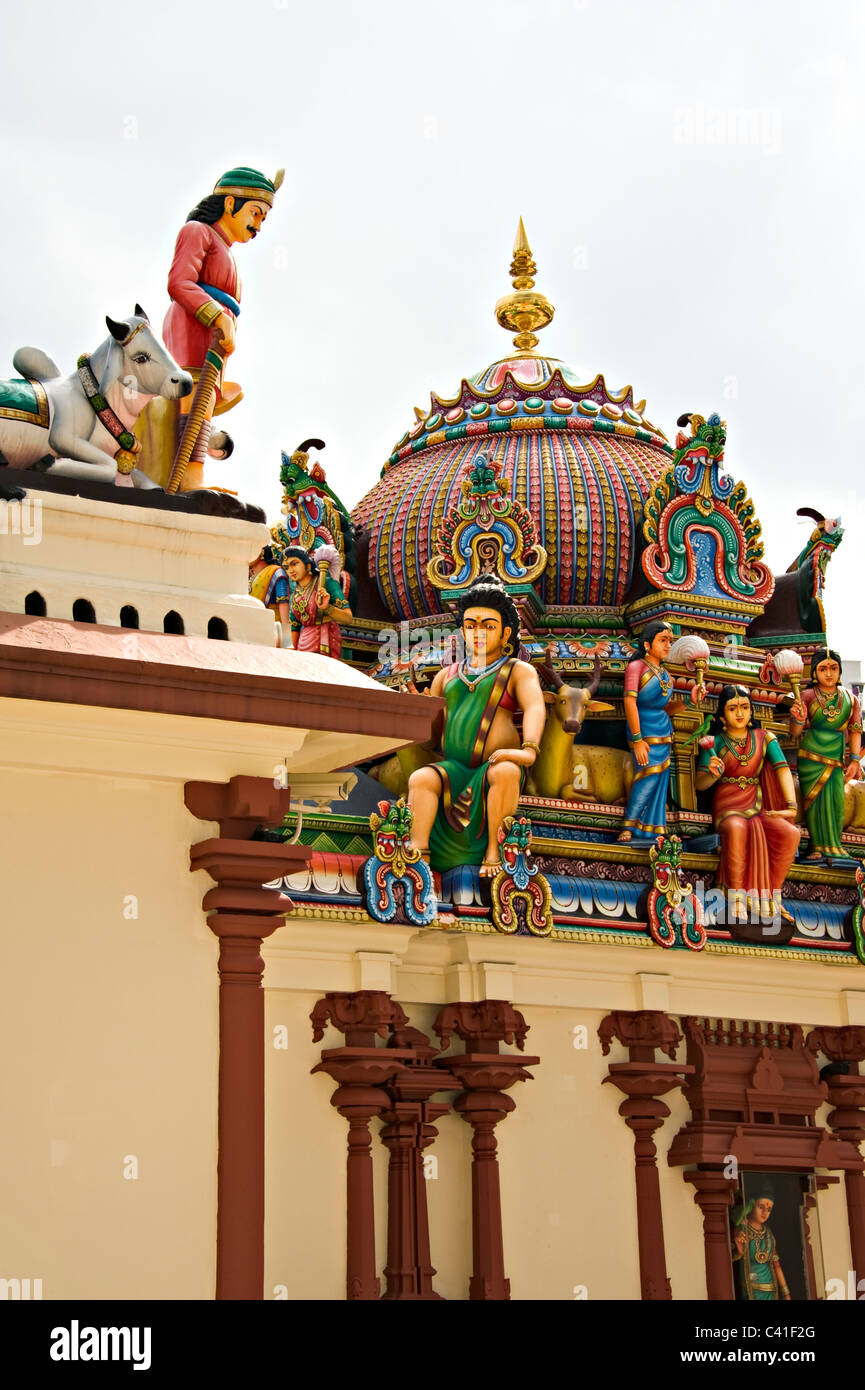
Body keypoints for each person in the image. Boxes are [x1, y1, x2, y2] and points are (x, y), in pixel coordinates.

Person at [407, 578, 546, 876]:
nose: (478, 633)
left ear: (506, 632)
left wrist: (528, 749)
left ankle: (494, 855)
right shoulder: (446, 676)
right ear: (461, 631)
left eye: (488, 625)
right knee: (421, 779)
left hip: (494, 765)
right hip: (453, 768)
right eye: (471, 625)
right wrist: (419, 712)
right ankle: (418, 857)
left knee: (507, 771)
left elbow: (535, 706)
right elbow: (433, 736)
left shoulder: (517, 671)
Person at [159, 166, 283, 490]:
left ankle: (193, 471)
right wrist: (216, 315)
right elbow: (179, 282)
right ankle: (189, 477)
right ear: (230, 204)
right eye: (255, 213)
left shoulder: (226, 250)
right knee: (193, 393)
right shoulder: (197, 232)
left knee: (206, 398)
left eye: (263, 219)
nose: (257, 225)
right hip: (192, 323)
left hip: (215, 334)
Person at [696, 685, 800, 928]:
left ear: (751, 711)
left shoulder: (764, 738)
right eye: (733, 709)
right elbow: (700, 784)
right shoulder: (715, 742)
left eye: (744, 707)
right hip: (728, 802)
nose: (739, 713)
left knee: (790, 835)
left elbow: (782, 768)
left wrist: (791, 806)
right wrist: (713, 773)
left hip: (758, 803)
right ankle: (736, 898)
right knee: (736, 828)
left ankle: (771, 897)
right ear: (722, 716)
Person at [618, 620, 705, 842]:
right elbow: (629, 702)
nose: (668, 646)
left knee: (659, 782)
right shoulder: (636, 667)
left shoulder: (666, 674)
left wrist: (689, 700)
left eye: (670, 641)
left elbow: (666, 708)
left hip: (663, 730)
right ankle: (629, 825)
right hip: (643, 730)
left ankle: (654, 828)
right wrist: (637, 739)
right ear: (647, 644)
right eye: (663, 640)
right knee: (646, 778)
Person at [789, 648, 862, 861]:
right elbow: (794, 733)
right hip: (811, 757)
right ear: (814, 672)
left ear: (840, 671)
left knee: (836, 801)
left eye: (833, 668)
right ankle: (817, 847)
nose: (828, 673)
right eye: (823, 669)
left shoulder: (851, 699)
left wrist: (855, 760)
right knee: (814, 802)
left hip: (837, 758)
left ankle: (835, 846)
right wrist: (798, 719)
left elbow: (856, 730)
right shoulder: (807, 695)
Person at [283, 546, 351, 659]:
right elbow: (293, 628)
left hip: (325, 639)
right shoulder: (294, 596)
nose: (290, 570)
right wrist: (286, 655)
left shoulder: (326, 584)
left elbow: (348, 618)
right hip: (303, 643)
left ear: (308, 565)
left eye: (294, 564)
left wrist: (328, 608)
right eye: (286, 567)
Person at [731, 1192, 791, 1301]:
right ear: (751, 1206)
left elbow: (776, 1265)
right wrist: (739, 1252)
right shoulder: (741, 1229)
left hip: (770, 1289)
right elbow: (730, 1257)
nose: (765, 1213)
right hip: (750, 1289)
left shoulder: (768, 1233)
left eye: (768, 1210)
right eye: (761, 1207)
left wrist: (786, 1293)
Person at [249, 546, 291, 638]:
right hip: (254, 626)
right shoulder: (252, 578)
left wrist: (286, 636)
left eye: (252, 550)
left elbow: (283, 602)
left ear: (262, 553)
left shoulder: (276, 572)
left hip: (273, 627)